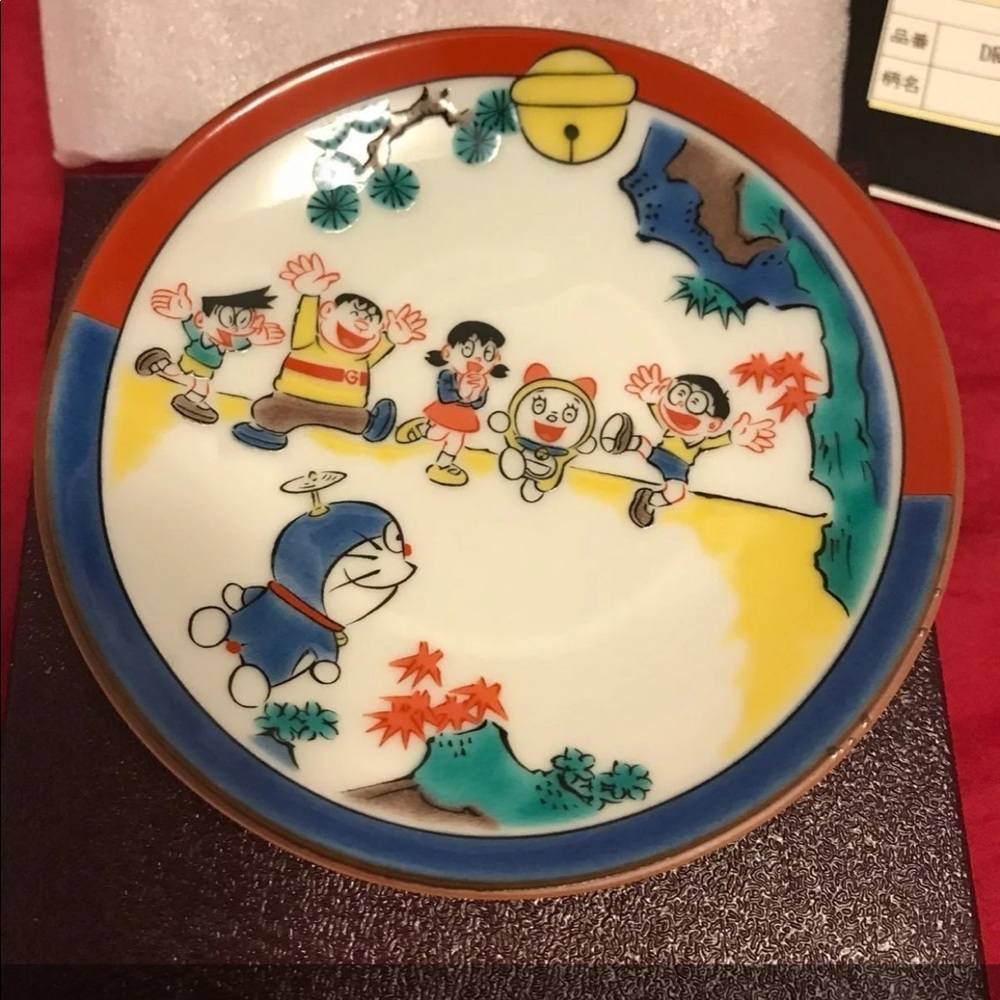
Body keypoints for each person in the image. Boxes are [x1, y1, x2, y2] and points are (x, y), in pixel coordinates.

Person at [232, 253, 426, 450]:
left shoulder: (361, 360)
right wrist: (310, 296)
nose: (360, 325)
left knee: (356, 419)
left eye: (369, 322)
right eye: (354, 314)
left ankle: (370, 424)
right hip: (291, 403)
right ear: (326, 312)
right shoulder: (307, 344)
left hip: (343, 411)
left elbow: (379, 350)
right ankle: (269, 434)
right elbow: (305, 322)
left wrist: (392, 338)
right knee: (268, 409)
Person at [601, 363, 775, 527]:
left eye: (695, 403)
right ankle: (620, 441)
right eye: (680, 393)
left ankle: (649, 500)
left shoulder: (701, 440)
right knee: (642, 444)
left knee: (676, 493)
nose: (681, 404)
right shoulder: (668, 423)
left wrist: (736, 437)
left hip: (677, 469)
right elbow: (658, 413)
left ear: (713, 425)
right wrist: (650, 399)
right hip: (657, 453)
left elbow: (722, 439)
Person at [135, 283, 285, 424]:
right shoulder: (204, 334)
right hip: (193, 360)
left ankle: (162, 367)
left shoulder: (230, 341)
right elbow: (192, 327)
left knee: (183, 375)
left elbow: (242, 343)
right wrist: (184, 314)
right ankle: (184, 392)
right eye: (228, 319)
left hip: (206, 368)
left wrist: (255, 338)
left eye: (243, 321)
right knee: (183, 376)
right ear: (200, 319)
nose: (234, 328)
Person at [394, 320, 509, 486]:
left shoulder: (482, 382)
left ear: (496, 359)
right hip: (446, 411)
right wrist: (462, 391)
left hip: (464, 415)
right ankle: (423, 428)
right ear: (447, 352)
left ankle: (443, 465)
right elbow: (445, 396)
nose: (478, 358)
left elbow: (478, 404)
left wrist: (476, 392)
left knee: (456, 441)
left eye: (488, 354)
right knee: (438, 434)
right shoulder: (447, 375)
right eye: (468, 349)